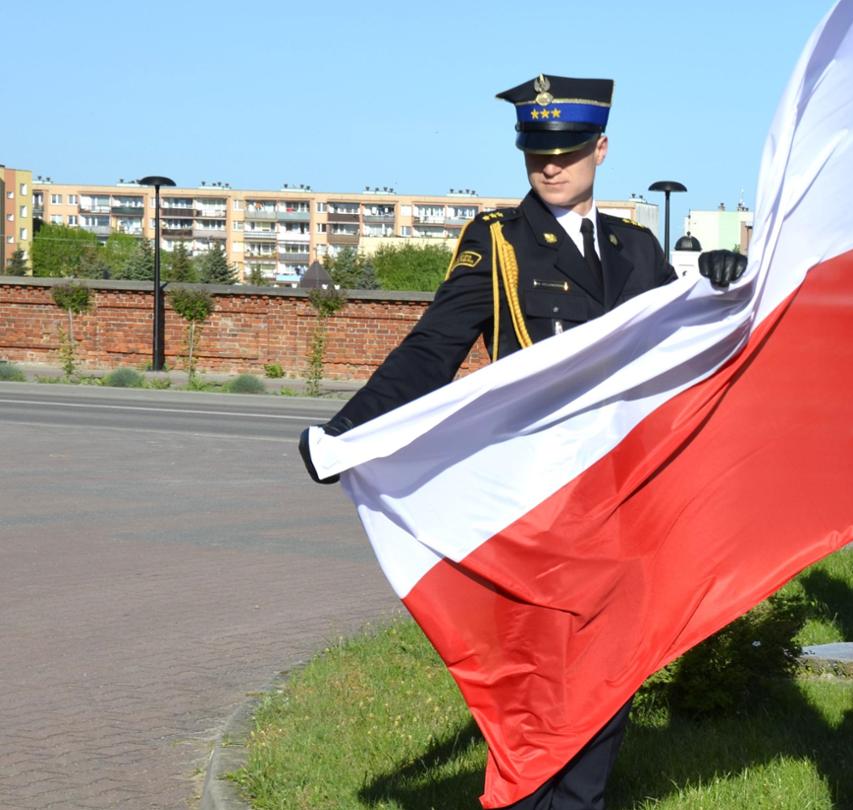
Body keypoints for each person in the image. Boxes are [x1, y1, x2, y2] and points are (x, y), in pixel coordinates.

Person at [297, 74, 744, 810]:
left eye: (567, 151)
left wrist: (723, 288)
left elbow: (687, 353)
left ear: (600, 149)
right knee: (538, 684)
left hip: (623, 498)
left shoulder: (636, 250)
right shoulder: (498, 242)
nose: (550, 166)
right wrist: (346, 433)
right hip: (535, 500)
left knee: (609, 672)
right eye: (537, 151)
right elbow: (432, 348)